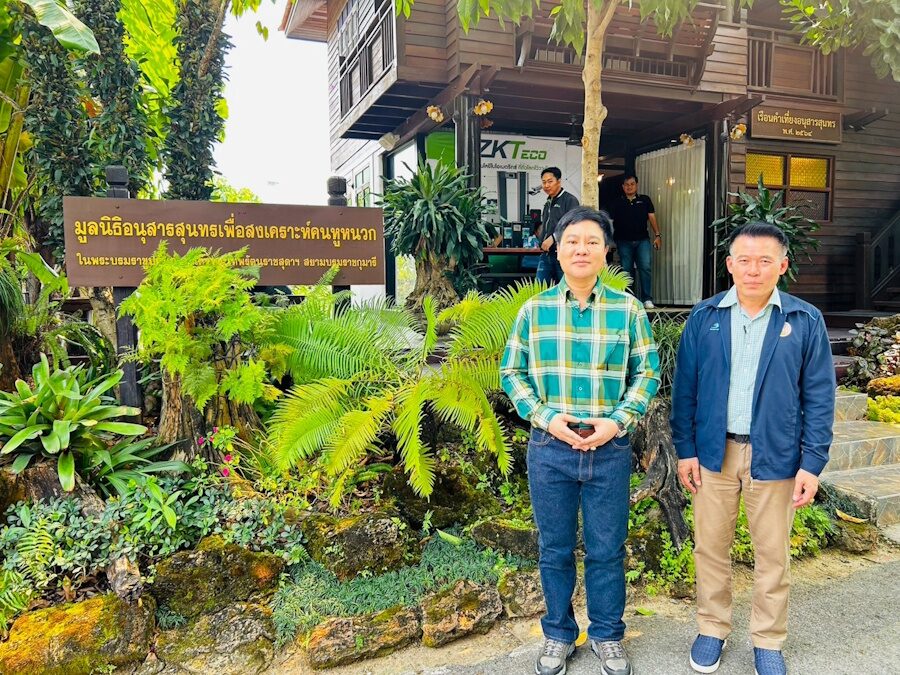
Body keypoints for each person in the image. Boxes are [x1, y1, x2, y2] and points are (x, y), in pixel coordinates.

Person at [670, 222, 835, 675]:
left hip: (776, 456)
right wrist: (685, 449)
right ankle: (712, 628)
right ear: (730, 265)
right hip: (714, 454)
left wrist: (812, 463)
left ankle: (768, 639)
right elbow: (685, 390)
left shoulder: (804, 320)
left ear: (782, 265)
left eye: (765, 260)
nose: (754, 269)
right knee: (710, 548)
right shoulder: (705, 317)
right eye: (744, 260)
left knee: (773, 555)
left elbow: (820, 397)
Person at [501, 206, 659, 675]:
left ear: (606, 250)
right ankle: (558, 633)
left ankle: (607, 635)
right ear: (558, 249)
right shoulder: (534, 311)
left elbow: (647, 373)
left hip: (609, 449)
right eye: (572, 241)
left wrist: (618, 421)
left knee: (607, 549)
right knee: (554, 549)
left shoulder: (627, 310)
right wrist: (547, 419)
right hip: (550, 449)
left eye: (592, 241)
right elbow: (512, 372)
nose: (581, 249)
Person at [610, 174, 661, 309]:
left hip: (642, 240)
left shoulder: (645, 200)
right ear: (623, 187)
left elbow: (652, 217)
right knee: (626, 270)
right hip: (623, 241)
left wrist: (657, 235)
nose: (629, 187)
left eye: (632, 184)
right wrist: (609, 241)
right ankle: (629, 299)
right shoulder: (617, 202)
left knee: (645, 267)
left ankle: (647, 299)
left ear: (636, 185)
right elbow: (611, 222)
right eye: (626, 185)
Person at [535, 167, 579, 285]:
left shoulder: (570, 200)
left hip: (564, 255)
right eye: (544, 182)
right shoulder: (548, 202)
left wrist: (554, 237)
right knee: (540, 289)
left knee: (566, 289)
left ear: (559, 181)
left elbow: (573, 225)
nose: (546, 185)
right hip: (546, 254)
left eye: (550, 181)